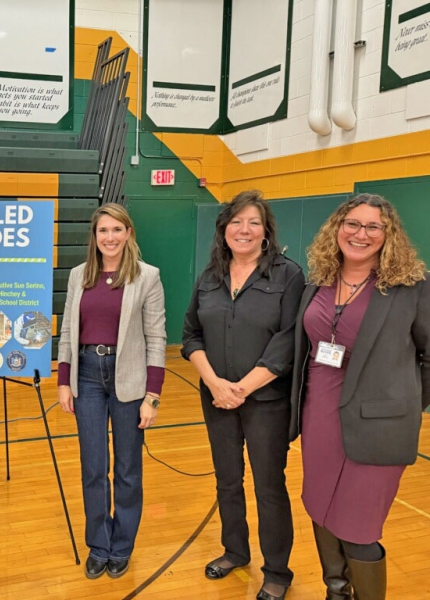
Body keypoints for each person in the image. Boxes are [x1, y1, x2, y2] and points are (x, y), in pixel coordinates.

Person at [289, 194, 429, 600]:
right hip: (320, 416)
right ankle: (337, 590)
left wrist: (403, 407)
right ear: (337, 228)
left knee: (359, 525)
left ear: (388, 236)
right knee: (320, 507)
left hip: (379, 427)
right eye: (352, 223)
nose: (360, 233)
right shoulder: (318, 281)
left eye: (373, 226)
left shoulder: (412, 288)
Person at [181, 190, 305, 600]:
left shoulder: (288, 275)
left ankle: (277, 572)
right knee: (227, 481)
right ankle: (234, 551)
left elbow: (287, 342)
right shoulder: (211, 275)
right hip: (216, 398)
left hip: (266, 402)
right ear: (224, 229)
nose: (244, 229)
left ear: (266, 231)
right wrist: (216, 385)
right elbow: (190, 335)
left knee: (269, 486)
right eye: (236, 222)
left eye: (253, 222)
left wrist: (242, 388)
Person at [57, 203, 166, 580]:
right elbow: (69, 330)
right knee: (93, 467)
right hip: (86, 376)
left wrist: (152, 395)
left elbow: (156, 338)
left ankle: (122, 545)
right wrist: (63, 380)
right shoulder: (78, 276)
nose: (110, 237)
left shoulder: (147, 277)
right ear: (95, 236)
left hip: (129, 378)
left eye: (117, 230)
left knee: (128, 470)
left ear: (129, 234)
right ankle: (99, 544)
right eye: (104, 230)